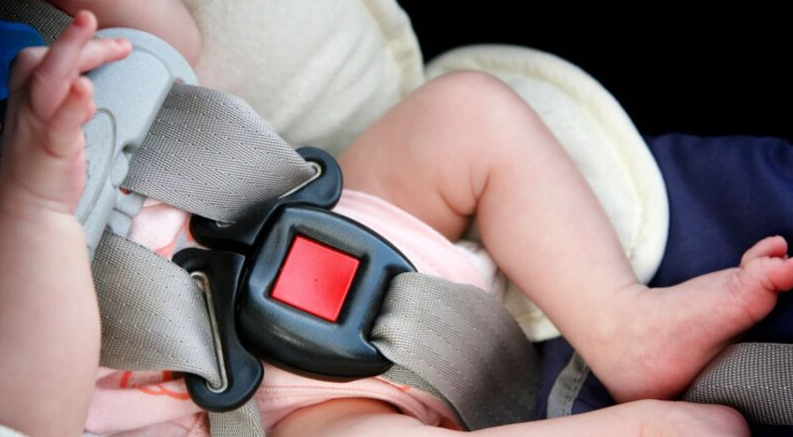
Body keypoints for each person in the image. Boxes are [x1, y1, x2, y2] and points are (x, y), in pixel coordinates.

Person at [1, 4, 790, 437]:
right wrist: (34, 205)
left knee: (464, 115)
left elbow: (164, 46)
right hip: (222, 403)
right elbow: (39, 411)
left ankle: (620, 321)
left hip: (287, 209)